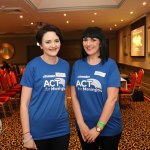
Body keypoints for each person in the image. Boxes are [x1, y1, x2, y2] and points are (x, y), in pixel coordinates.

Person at [70, 27, 122, 150]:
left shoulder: (110, 64)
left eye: (93, 40)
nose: (88, 44)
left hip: (109, 126)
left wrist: (98, 128)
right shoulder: (78, 65)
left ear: (100, 42)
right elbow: (74, 96)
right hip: (85, 127)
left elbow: (112, 98)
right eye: (85, 40)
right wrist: (81, 124)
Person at [20, 24, 70, 150]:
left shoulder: (65, 65)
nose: (53, 45)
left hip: (61, 129)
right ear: (41, 45)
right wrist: (26, 134)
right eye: (48, 42)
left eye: (56, 41)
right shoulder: (32, 66)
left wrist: (65, 113)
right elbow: (24, 104)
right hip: (37, 130)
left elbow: (63, 94)